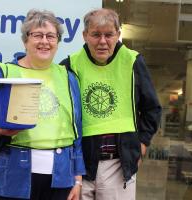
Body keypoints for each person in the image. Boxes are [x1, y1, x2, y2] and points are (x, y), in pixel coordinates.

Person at [0, 9, 85, 200]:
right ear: (25, 40)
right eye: (37, 35)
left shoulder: (68, 78)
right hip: (12, 177)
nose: (44, 41)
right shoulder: (0, 73)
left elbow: (77, 132)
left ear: (57, 42)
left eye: (51, 36)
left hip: (61, 178)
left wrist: (78, 178)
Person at [60, 8, 162, 200]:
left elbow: (152, 108)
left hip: (118, 164)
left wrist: (142, 143)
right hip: (79, 165)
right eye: (96, 35)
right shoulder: (70, 65)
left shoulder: (133, 61)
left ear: (118, 35)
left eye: (109, 35)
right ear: (84, 35)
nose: (103, 41)